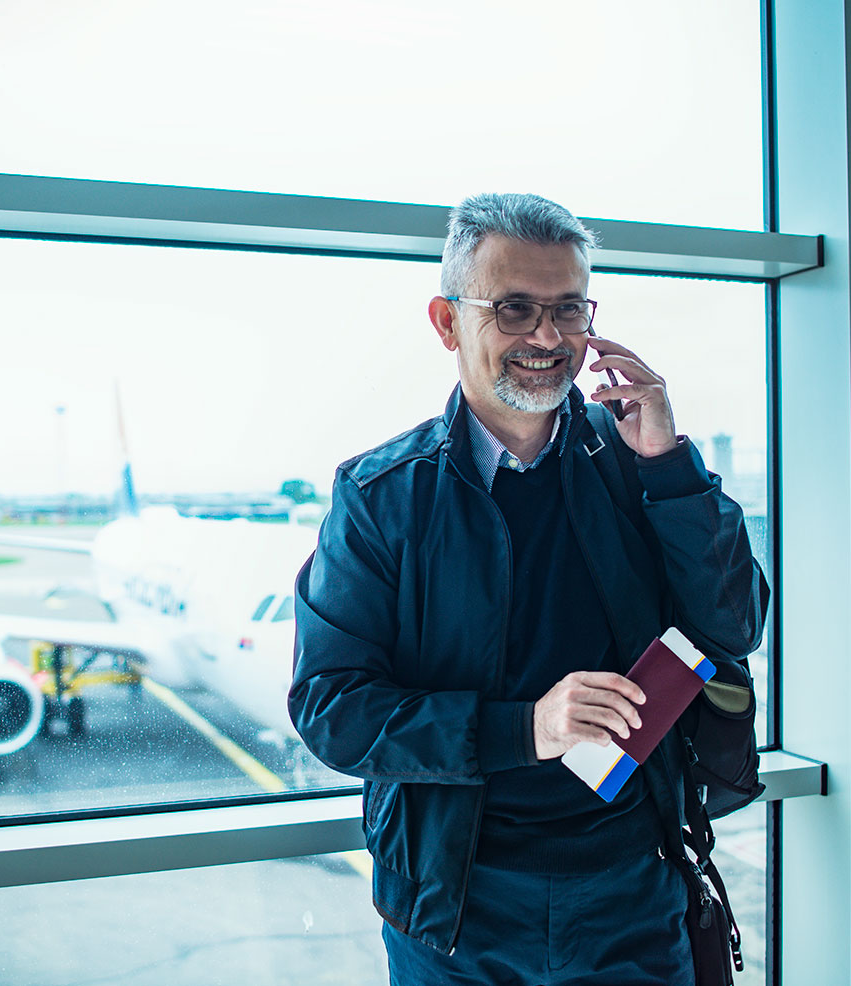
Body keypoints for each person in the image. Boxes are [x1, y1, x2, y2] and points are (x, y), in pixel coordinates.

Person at [288, 192, 768, 985]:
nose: (548, 337)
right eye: (514, 309)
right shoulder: (381, 497)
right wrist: (527, 728)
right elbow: (332, 711)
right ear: (447, 323)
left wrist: (669, 467)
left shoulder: (640, 465)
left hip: (634, 891)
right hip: (456, 912)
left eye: (568, 308)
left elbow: (735, 625)